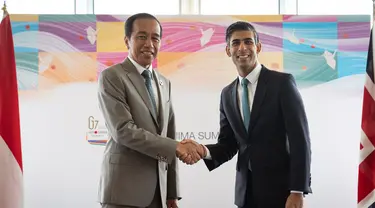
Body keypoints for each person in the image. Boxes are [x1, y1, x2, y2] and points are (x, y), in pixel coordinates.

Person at [181, 21, 312, 208]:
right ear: (228, 50)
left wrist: (298, 191)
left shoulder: (282, 84)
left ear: (258, 47)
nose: (242, 48)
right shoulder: (227, 94)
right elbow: (228, 144)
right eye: (235, 43)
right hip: (245, 195)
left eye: (248, 42)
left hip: (282, 193)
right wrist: (203, 150)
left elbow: (301, 141)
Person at [97, 13, 204, 208]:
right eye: (141, 36)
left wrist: (172, 193)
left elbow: (169, 133)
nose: (149, 44)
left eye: (155, 38)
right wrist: (176, 146)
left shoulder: (164, 83)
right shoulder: (112, 77)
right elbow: (123, 131)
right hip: (123, 193)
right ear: (127, 40)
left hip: (159, 195)